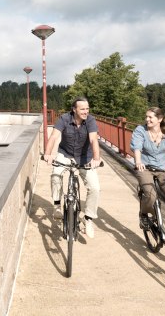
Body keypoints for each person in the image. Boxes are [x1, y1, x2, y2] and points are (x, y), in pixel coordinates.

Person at [43, 97, 102, 238]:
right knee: (56, 174)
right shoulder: (64, 119)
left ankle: (88, 219)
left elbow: (93, 139)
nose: (85, 111)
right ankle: (57, 206)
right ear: (74, 109)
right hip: (66, 154)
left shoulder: (90, 121)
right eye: (82, 109)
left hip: (84, 157)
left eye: (87, 109)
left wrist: (96, 158)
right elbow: (53, 137)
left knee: (95, 188)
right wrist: (48, 154)